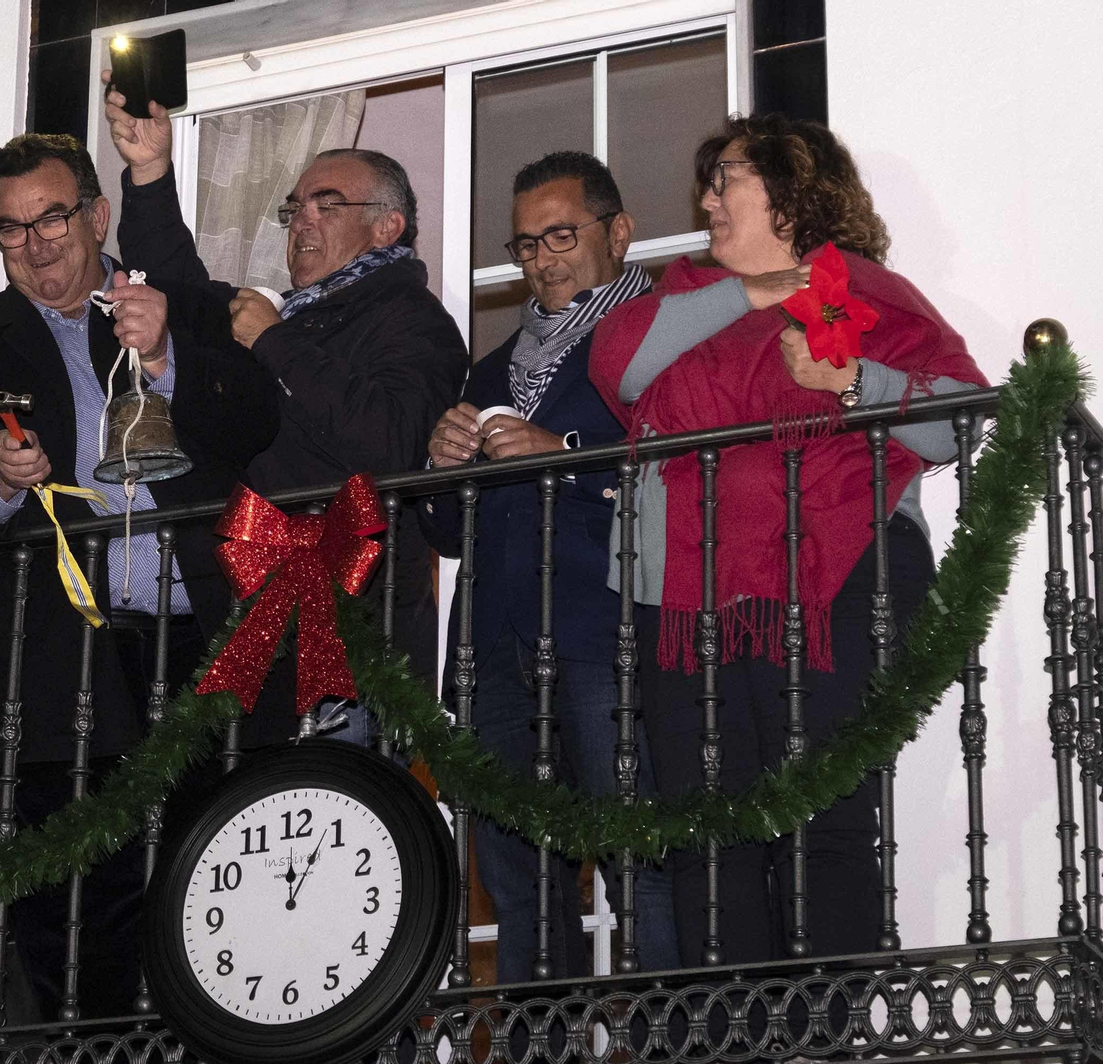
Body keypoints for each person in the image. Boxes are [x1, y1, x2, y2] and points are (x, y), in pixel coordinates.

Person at [0, 133, 279, 1020]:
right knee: (75, 921)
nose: (37, 242)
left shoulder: (183, 307)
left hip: (204, 651)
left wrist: (171, 354)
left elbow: (257, 417)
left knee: (215, 902)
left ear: (97, 214)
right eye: (11, 229)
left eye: (53, 216)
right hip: (52, 665)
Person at [589, 114, 989, 967]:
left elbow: (957, 423)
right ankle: (737, 1041)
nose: (707, 197)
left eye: (725, 175)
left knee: (823, 818)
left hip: (841, 575)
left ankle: (822, 1043)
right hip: (684, 594)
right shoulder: (682, 299)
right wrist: (757, 291)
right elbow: (618, 367)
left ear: (791, 186)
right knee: (708, 827)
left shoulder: (868, 290)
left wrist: (854, 379)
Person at [104, 85, 469, 742]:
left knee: (344, 824)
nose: (302, 220)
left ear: (388, 226)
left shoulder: (415, 323)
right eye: (295, 206)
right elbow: (178, 291)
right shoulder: (279, 318)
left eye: (328, 206)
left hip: (360, 635)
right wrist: (150, 171)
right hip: (253, 614)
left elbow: (388, 445)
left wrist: (275, 341)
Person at [419, 152, 677, 982]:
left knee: (639, 854)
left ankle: (681, 1056)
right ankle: (542, 1063)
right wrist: (442, 466)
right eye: (526, 243)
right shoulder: (490, 369)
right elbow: (445, 530)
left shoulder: (661, 333)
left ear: (619, 232)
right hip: (493, 642)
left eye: (560, 235)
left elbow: (685, 458)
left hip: (610, 624)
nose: (541, 258)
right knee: (516, 874)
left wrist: (561, 451)